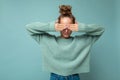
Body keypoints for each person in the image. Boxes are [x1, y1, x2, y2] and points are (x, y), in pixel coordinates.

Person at [26, 5, 104, 80]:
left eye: (69, 27)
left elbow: (100, 29)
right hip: (55, 77)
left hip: (74, 77)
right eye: (63, 26)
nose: (66, 30)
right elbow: (29, 27)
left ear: (74, 27)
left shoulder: (82, 41)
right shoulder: (47, 40)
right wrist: (52, 26)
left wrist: (80, 27)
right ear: (58, 26)